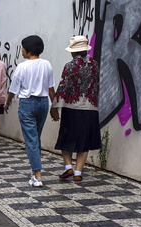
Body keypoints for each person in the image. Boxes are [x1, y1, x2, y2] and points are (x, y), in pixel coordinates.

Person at [5, 35, 55, 187]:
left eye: (22, 48)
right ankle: (34, 170)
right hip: (43, 103)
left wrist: (6, 104)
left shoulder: (22, 67)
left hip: (27, 103)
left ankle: (37, 175)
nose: (21, 51)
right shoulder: (47, 64)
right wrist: (55, 107)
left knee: (31, 140)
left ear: (28, 50)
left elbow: (13, 90)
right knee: (36, 138)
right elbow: (51, 88)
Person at [50, 35, 101, 182]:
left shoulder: (70, 66)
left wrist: (54, 107)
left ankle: (68, 167)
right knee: (83, 141)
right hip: (90, 108)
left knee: (66, 138)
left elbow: (63, 87)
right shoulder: (95, 65)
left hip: (71, 107)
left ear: (73, 51)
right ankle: (78, 172)